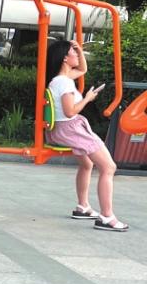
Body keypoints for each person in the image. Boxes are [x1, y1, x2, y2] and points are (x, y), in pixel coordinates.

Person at [46, 37, 128, 231]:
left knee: (87, 164)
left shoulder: (60, 80)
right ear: (65, 58)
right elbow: (70, 111)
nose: (77, 55)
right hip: (71, 128)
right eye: (73, 52)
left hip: (64, 129)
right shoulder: (64, 83)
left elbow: (83, 69)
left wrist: (79, 50)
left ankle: (83, 207)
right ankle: (106, 217)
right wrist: (88, 98)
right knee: (109, 167)